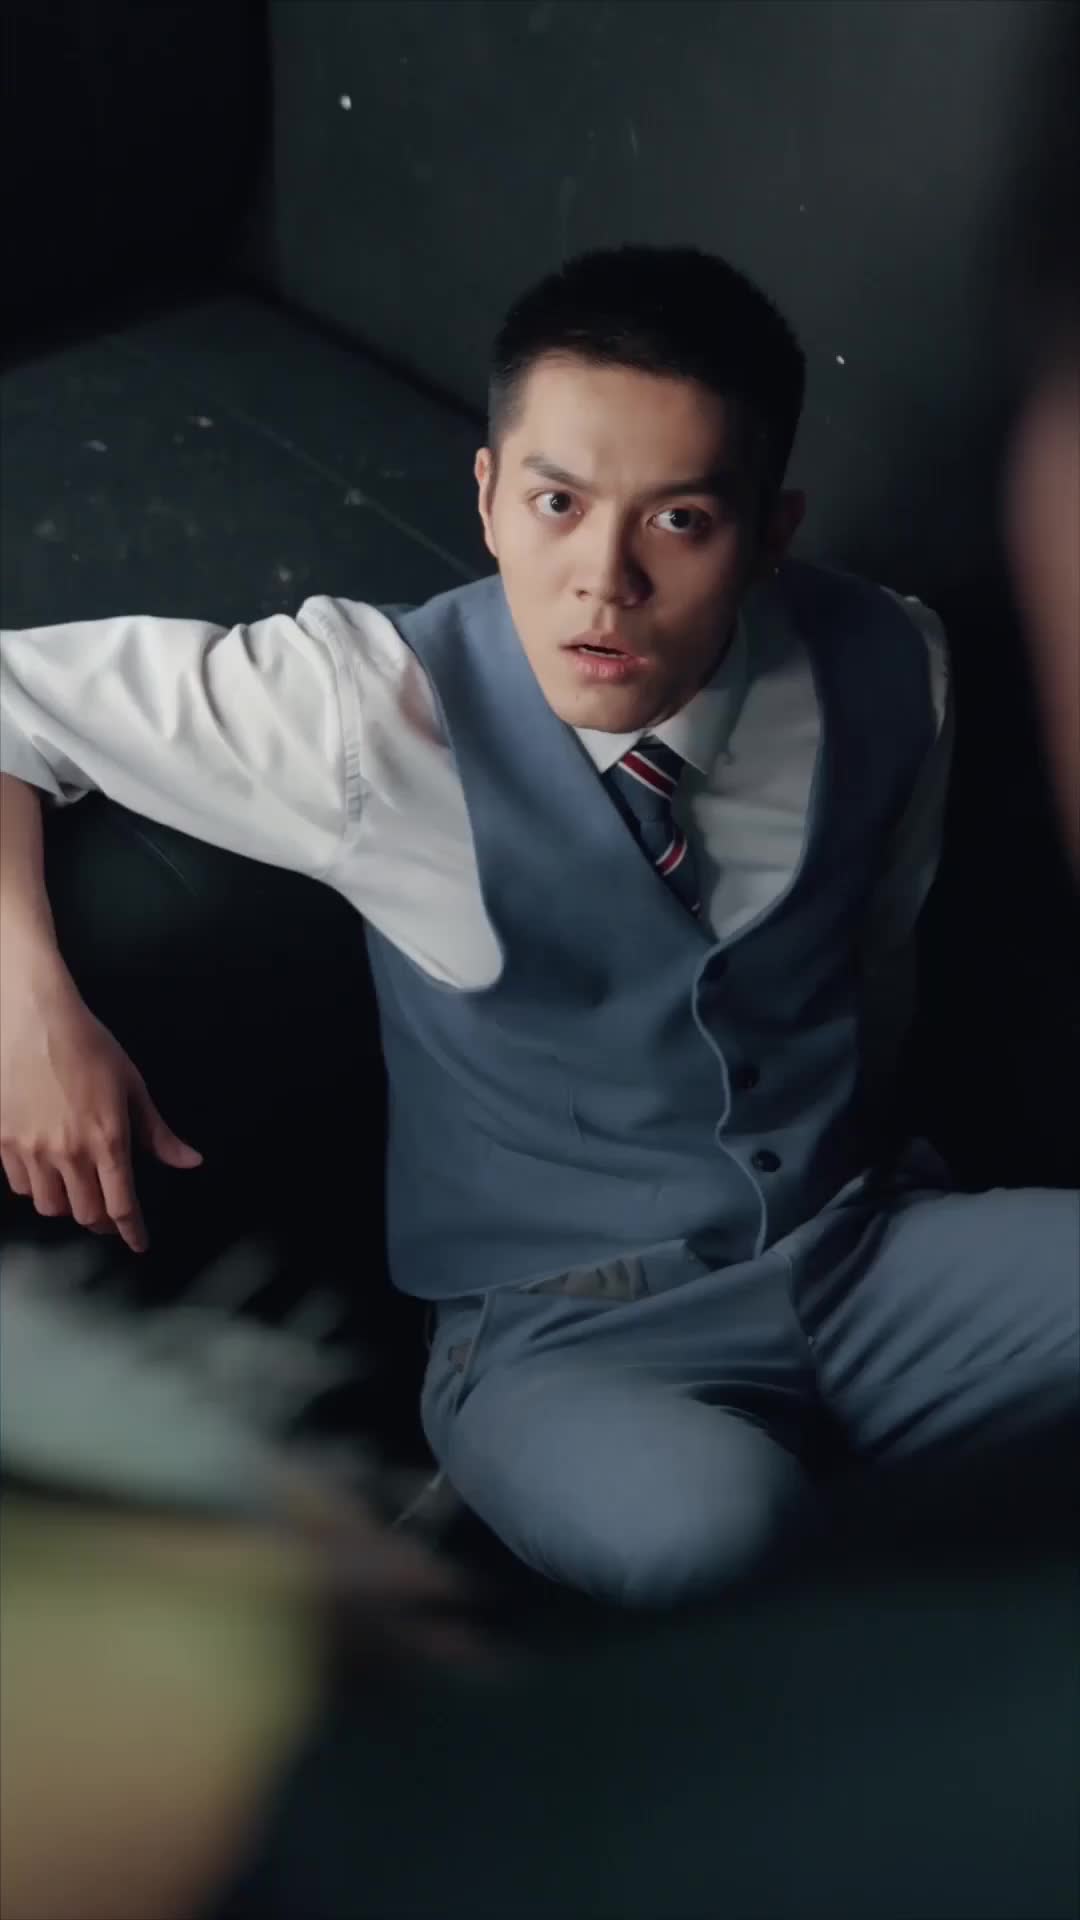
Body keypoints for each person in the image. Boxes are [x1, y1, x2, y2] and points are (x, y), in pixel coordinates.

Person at [1, 246, 1077, 1607]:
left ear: (770, 532)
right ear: (490, 499)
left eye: (679, 520)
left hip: (865, 1254)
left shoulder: (890, 665)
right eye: (557, 504)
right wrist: (26, 1003)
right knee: (746, 1560)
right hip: (565, 1346)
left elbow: (877, 966)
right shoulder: (367, 715)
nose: (603, 582)